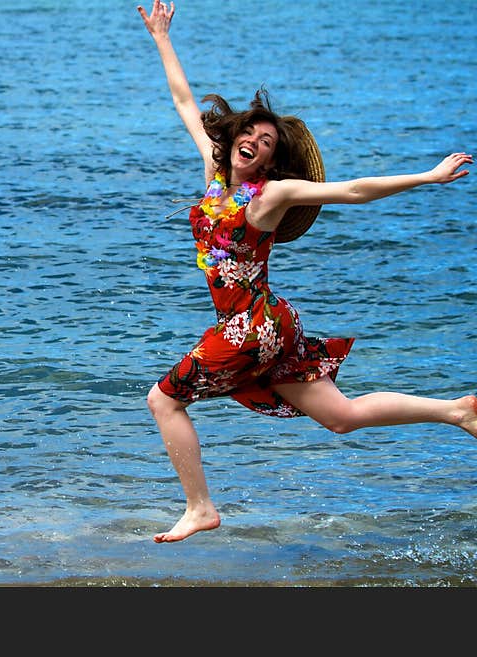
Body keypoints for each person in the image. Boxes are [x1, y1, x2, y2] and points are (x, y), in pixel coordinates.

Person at [137, 0, 477, 544]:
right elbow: (182, 99)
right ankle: (457, 411)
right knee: (339, 417)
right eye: (250, 133)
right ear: (236, 138)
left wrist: (429, 177)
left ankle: (200, 507)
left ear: (271, 162)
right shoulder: (214, 172)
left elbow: (353, 190)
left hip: (252, 327)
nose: (254, 141)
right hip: (271, 324)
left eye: (267, 142)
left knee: (163, 399)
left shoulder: (272, 194)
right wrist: (160, 35)